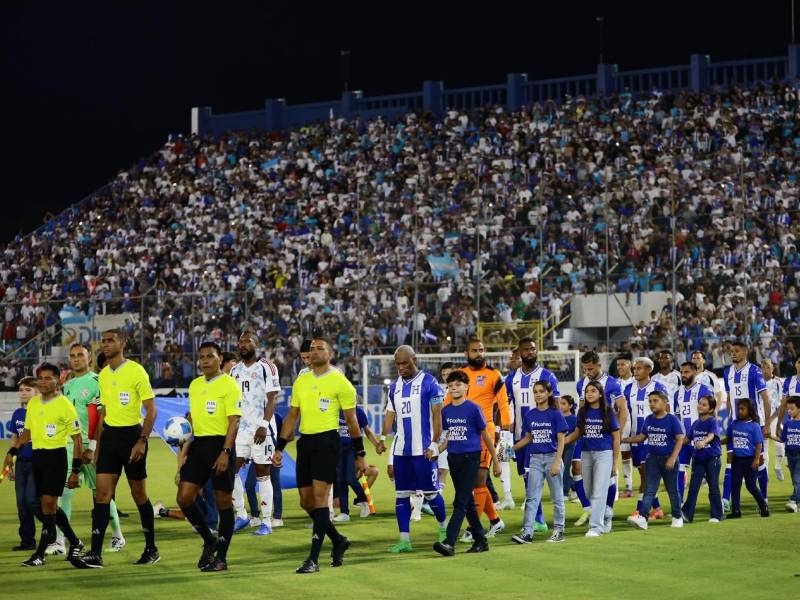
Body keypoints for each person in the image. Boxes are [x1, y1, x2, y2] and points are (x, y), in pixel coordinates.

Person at [273, 337, 363, 574]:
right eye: (311, 349)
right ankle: (338, 539)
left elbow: (352, 420)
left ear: (330, 353)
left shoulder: (340, 382)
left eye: (319, 348)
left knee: (321, 499)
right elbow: (292, 416)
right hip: (306, 442)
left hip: (327, 442)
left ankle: (313, 559)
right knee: (306, 502)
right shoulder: (301, 381)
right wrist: (280, 447)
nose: (314, 352)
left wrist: (360, 453)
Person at [71, 328, 159, 569]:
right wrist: (97, 447)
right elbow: (104, 413)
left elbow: (151, 409)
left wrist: (142, 440)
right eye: (103, 341)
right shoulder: (104, 376)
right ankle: (96, 554)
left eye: (111, 340)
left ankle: (151, 548)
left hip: (132, 437)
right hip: (109, 438)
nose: (106, 344)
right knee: (102, 494)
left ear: (123, 343)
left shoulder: (136, 370)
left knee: (138, 494)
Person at [3, 363, 84, 567]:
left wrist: (75, 470)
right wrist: (12, 452)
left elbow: (77, 440)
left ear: (58, 380)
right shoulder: (34, 404)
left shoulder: (65, 404)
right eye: (41, 378)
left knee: (47, 505)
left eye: (49, 378)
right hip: (37, 458)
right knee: (49, 507)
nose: (44, 381)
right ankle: (75, 541)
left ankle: (40, 553)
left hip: (56, 458)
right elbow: (27, 434)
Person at [53, 343, 125, 556]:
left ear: (89, 358)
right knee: (64, 492)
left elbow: (101, 418)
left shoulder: (97, 381)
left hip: (91, 447)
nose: (76, 359)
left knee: (101, 494)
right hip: (69, 445)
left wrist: (93, 447)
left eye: (80, 355)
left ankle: (117, 535)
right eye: (73, 356)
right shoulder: (67, 385)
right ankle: (60, 541)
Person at [177, 341, 242, 572]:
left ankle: (221, 558)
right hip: (199, 446)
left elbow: (234, 421)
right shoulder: (194, 385)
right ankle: (209, 539)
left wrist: (225, 452)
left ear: (220, 358)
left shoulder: (229, 385)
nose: (205, 361)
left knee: (224, 502)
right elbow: (193, 420)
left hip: (220, 445)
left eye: (210, 356)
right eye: (202, 357)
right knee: (184, 498)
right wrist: (184, 451)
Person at [376, 345, 446, 552]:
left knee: (431, 493)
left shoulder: (429, 382)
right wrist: (382, 438)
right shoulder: (394, 387)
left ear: (414, 360)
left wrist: (434, 444)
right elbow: (390, 414)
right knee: (401, 495)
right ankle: (404, 540)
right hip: (401, 451)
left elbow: (437, 416)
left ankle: (444, 530)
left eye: (404, 363)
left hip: (423, 450)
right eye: (397, 364)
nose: (401, 367)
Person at [444, 338, 510, 542]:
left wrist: (505, 429)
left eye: (481, 349)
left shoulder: (494, 374)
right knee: (474, 483)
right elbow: (448, 402)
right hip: (461, 435)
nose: (479, 353)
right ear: (466, 353)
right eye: (474, 350)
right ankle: (495, 520)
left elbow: (504, 403)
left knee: (479, 480)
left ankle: (473, 529)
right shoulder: (461, 377)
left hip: (485, 433)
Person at [433, 370, 501, 557]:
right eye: (450, 386)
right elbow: (448, 438)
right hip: (453, 459)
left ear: (466, 387)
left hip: (471, 458)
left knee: (460, 501)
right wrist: (436, 451)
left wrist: (496, 461)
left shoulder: (473, 408)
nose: (454, 388)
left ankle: (449, 542)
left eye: (458, 385)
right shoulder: (446, 411)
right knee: (468, 502)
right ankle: (481, 540)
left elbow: (485, 435)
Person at [504, 337, 559, 529]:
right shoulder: (512, 378)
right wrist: (502, 431)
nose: (531, 352)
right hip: (520, 435)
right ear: (520, 353)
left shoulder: (547, 376)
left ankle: (540, 520)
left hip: (541, 437)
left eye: (533, 349)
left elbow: (556, 406)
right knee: (526, 477)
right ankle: (538, 519)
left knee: (533, 478)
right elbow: (504, 406)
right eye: (526, 350)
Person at [229, 330, 280, 536]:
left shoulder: (267, 367)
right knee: (230, 472)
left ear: (256, 344)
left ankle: (266, 521)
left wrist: (263, 424)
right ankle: (241, 515)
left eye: (247, 341)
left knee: (262, 474)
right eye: (240, 341)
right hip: (241, 430)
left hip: (262, 430)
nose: (243, 345)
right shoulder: (234, 371)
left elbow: (272, 398)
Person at [510, 380, 567, 544]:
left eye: (541, 391)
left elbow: (561, 440)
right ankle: (527, 533)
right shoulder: (530, 415)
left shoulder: (556, 414)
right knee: (532, 497)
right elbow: (528, 438)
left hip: (552, 458)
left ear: (549, 393)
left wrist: (557, 462)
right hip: (535, 459)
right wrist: (510, 449)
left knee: (557, 498)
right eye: (535, 392)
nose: (538, 394)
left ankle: (559, 530)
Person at [576, 351, 628, 524]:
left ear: (599, 365)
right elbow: (582, 410)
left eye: (590, 369)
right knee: (589, 484)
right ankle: (600, 511)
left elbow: (622, 408)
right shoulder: (581, 384)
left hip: (606, 438)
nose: (588, 373)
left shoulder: (611, 383)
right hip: (589, 438)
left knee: (609, 477)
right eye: (585, 370)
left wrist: (617, 435)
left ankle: (608, 510)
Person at [623, 390, 685, 530]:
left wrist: (673, 458)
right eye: (650, 401)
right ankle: (643, 519)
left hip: (669, 458)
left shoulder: (672, 420)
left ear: (665, 402)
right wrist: (623, 439)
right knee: (649, 489)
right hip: (652, 460)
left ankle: (677, 516)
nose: (652, 404)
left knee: (672, 490)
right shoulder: (649, 419)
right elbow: (641, 437)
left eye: (655, 401)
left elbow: (680, 439)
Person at [721, 341, 771, 512]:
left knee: (760, 461)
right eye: (731, 351)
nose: (732, 353)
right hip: (735, 424)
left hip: (753, 424)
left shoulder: (754, 370)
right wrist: (729, 419)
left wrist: (766, 424)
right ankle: (726, 500)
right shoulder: (727, 372)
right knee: (731, 458)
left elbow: (765, 398)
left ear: (745, 352)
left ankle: (763, 498)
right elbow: (729, 397)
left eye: (736, 351)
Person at [566, 380, 620, 537]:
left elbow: (616, 438)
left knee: (598, 491)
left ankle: (596, 527)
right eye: (587, 391)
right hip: (586, 454)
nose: (589, 393)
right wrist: (562, 442)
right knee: (589, 492)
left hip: (604, 454)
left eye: (593, 391)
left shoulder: (608, 412)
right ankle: (607, 513)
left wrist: (614, 463)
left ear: (600, 394)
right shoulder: (582, 412)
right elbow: (577, 433)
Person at [623, 357, 668, 519]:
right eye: (634, 368)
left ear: (649, 370)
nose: (635, 371)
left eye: (639, 368)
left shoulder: (659, 387)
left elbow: (666, 411)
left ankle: (641, 509)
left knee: (647, 473)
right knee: (643, 474)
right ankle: (657, 508)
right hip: (636, 437)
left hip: (652, 438)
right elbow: (626, 411)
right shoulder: (628, 389)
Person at [672, 361, 714, 502]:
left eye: (687, 372)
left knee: (708, 474)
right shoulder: (678, 393)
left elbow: (710, 415)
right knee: (680, 470)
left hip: (699, 440)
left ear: (695, 372)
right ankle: (679, 504)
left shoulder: (704, 390)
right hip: (684, 440)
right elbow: (677, 416)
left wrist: (707, 436)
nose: (683, 375)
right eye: (681, 372)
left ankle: (717, 503)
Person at [723, 398, 769, 519]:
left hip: (750, 460)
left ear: (750, 410)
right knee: (735, 485)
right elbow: (729, 438)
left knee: (751, 486)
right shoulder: (734, 424)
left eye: (743, 409)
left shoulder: (754, 426)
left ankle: (763, 506)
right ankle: (736, 511)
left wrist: (756, 459)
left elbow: (759, 444)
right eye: (738, 409)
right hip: (737, 460)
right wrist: (717, 442)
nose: (740, 411)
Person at [334, 398, 379, 522]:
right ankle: (344, 513)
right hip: (338, 449)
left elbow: (367, 432)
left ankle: (364, 500)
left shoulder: (358, 412)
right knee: (340, 480)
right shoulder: (335, 411)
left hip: (352, 449)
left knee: (350, 478)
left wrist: (377, 445)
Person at [680, 395, 723, 523]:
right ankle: (687, 514)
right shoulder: (696, 423)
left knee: (713, 487)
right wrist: (673, 443)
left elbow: (711, 435)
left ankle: (717, 515)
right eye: (699, 403)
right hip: (698, 459)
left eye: (704, 404)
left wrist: (704, 442)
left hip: (712, 458)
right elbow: (686, 439)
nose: (700, 406)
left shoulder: (712, 421)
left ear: (710, 409)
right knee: (693, 487)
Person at [9, 376, 38, 551]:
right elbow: (14, 439)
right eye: (21, 390)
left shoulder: (40, 412)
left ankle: (53, 533)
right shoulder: (17, 414)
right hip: (20, 463)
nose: (23, 393)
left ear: (36, 392)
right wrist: (11, 462)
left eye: (28, 390)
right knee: (22, 503)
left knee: (32, 501)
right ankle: (27, 540)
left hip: (37, 462)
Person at [615, 354, 635, 498]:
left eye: (623, 364)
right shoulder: (615, 383)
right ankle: (628, 486)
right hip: (623, 421)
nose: (620, 367)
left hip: (638, 422)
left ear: (630, 364)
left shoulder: (636, 381)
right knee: (623, 453)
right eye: (618, 365)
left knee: (641, 457)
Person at [761, 359, 784, 481]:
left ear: (772, 368)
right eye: (763, 367)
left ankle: (778, 466)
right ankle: (765, 473)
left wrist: (773, 417)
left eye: (768, 367)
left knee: (780, 442)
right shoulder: (759, 382)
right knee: (763, 445)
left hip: (775, 416)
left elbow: (782, 402)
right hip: (761, 418)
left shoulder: (778, 382)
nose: (766, 370)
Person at [776, 397, 800, 512]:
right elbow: (782, 439)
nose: (789, 411)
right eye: (788, 409)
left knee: (797, 479)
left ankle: (795, 501)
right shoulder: (788, 423)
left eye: (792, 408)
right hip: (790, 455)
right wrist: (769, 435)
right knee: (794, 479)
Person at [559, 395, 577, 499]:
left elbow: (576, 434)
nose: (561, 406)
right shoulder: (558, 417)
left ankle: (565, 493)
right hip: (560, 447)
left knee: (566, 469)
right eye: (560, 403)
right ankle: (576, 487)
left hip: (571, 446)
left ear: (570, 406)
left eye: (564, 403)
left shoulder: (574, 418)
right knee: (561, 469)